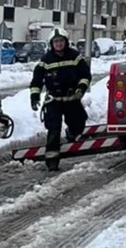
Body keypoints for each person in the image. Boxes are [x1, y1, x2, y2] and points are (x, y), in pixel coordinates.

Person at [29, 28, 91, 171]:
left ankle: (72, 133)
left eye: (61, 41)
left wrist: (80, 89)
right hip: (54, 101)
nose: (58, 44)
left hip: (72, 99)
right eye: (56, 41)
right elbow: (36, 81)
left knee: (78, 124)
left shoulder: (75, 57)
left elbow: (85, 75)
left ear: (66, 41)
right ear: (52, 43)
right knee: (53, 130)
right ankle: (52, 161)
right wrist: (34, 98)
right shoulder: (45, 60)